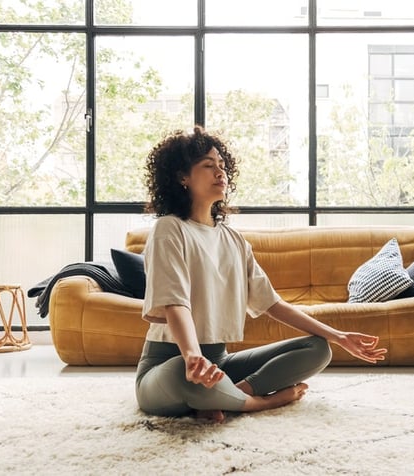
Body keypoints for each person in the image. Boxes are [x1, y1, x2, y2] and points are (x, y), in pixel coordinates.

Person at [135, 125, 387, 423]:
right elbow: (175, 303)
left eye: (222, 166)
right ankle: (257, 403)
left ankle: (230, 394)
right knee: (183, 375)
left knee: (318, 348)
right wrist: (191, 356)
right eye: (208, 165)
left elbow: (272, 304)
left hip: (219, 363)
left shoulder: (234, 240)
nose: (220, 173)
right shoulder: (170, 229)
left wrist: (338, 335)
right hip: (169, 364)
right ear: (182, 177)